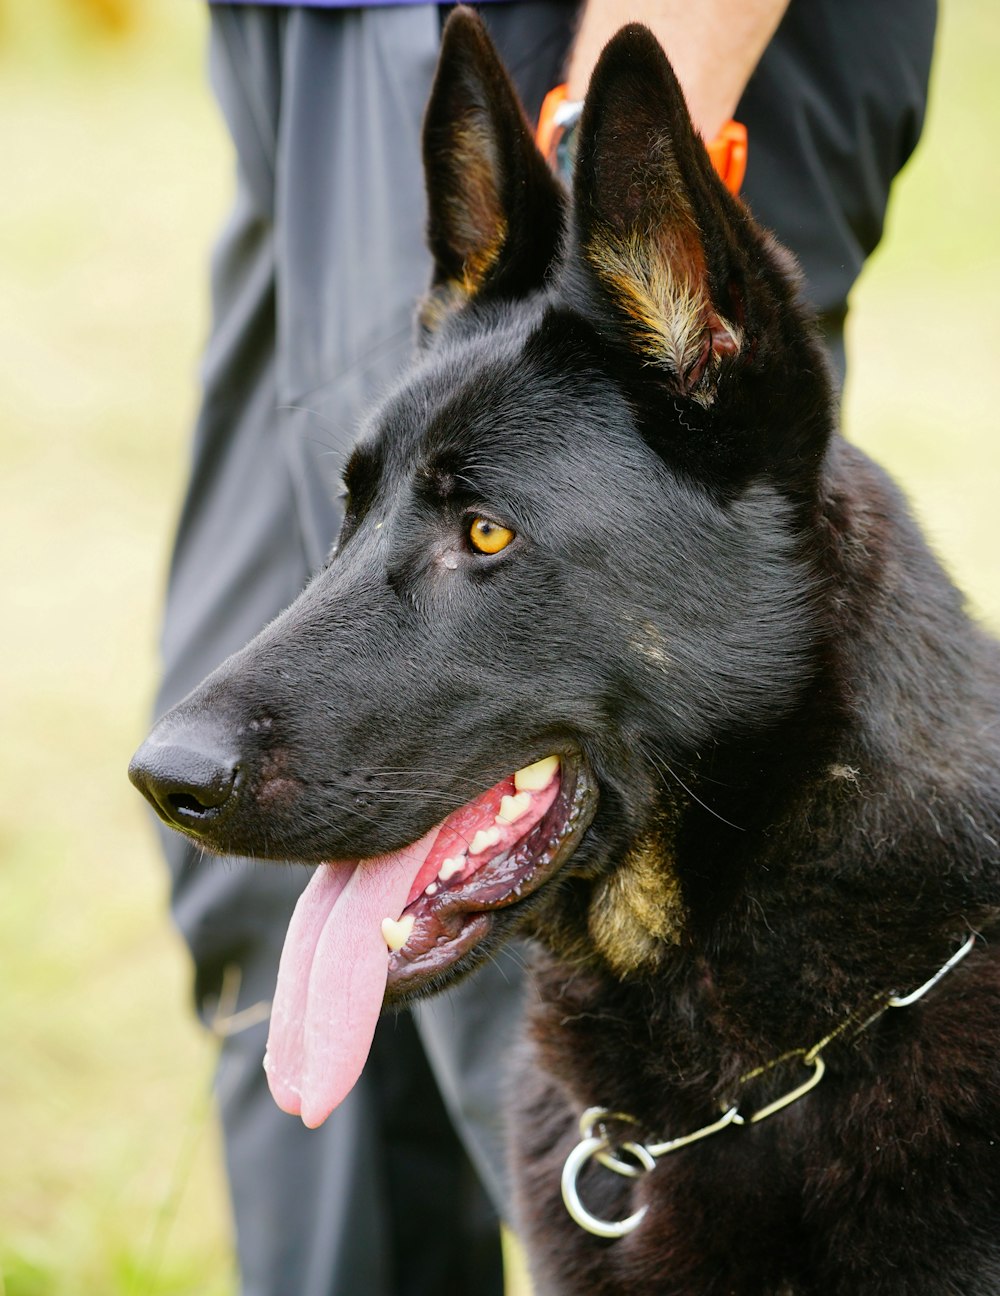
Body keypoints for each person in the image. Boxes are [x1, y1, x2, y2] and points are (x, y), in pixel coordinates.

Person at [154, 1, 936, 1291]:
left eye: (487, 533)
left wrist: (631, 127)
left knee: (599, 978)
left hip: (612, 30)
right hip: (304, 35)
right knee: (267, 870)